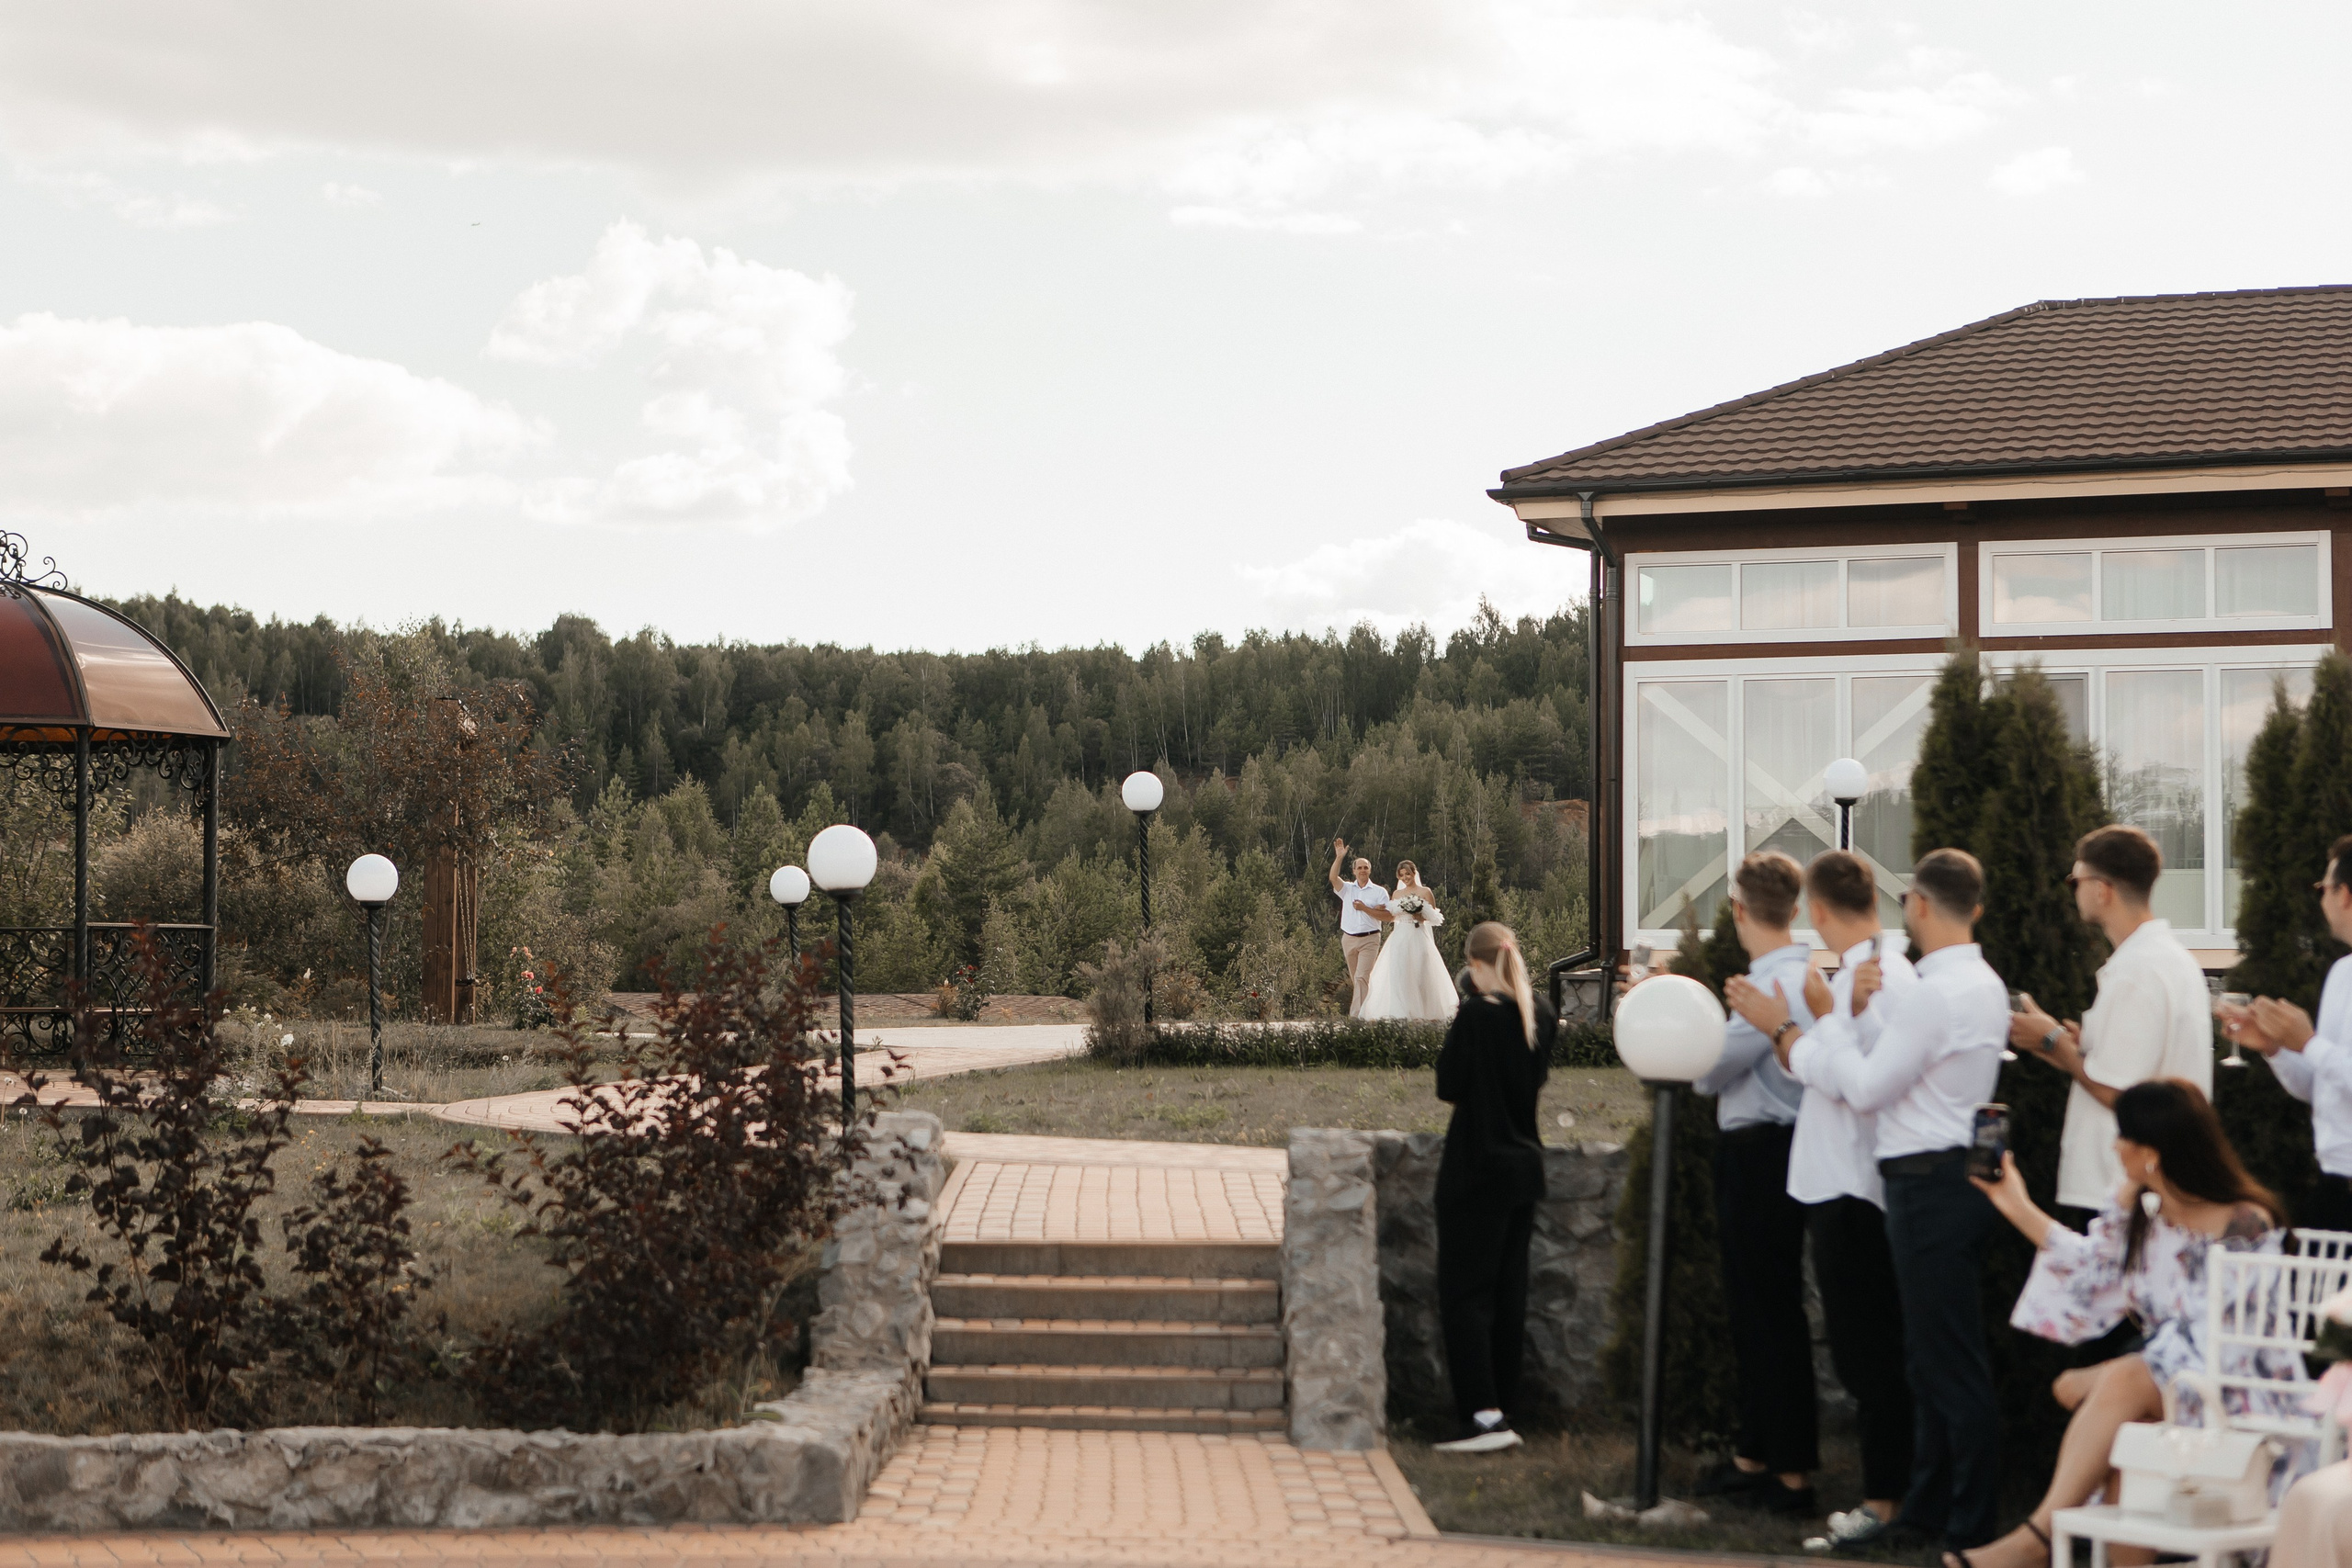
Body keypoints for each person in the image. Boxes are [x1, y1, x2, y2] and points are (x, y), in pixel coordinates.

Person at [1746, 848, 2010, 1554]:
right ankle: (1925, 1512)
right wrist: (1848, 1019)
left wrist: (1813, 1023)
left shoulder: (1930, 989)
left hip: (1924, 1179)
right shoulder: (1982, 982)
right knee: (1930, 1360)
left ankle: (1966, 1523)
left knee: (1943, 1364)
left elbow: (1865, 1089)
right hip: (1949, 1172)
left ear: (1919, 905)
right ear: (1976, 906)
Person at [1951, 1079, 2297, 1568]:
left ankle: (2040, 1534)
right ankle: (2056, 1541)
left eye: (2122, 1137)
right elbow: (2092, 1270)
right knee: (2128, 1422)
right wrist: (2013, 1201)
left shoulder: (2246, 1223)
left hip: (2241, 1387)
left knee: (2125, 1381)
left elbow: (2221, 1338)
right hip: (2169, 1385)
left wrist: (2101, 1378)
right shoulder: (2144, 1214)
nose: (2114, 1147)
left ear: (2151, 1152)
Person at [1726, 849, 1917, 1550]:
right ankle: (1888, 1497)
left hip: (1855, 1182)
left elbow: (1859, 1082)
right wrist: (1802, 1024)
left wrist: (1786, 1027)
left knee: (1871, 1352)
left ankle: (1887, 1502)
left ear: (1815, 908)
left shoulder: (1877, 977)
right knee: (1860, 1349)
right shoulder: (1854, 975)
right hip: (1837, 1179)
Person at [1687, 852, 1817, 1515]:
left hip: (1760, 1150)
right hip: (1789, 1149)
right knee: (1763, 1307)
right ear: (1794, 910)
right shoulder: (1808, 975)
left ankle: (1789, 1472)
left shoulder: (1768, 987)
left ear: (1739, 909)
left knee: (1764, 1311)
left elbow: (1709, 1071)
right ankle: (1756, 1452)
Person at [2008, 825, 2214, 1219]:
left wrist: (2053, 1040)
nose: (2074, 891)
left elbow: (2117, 1091)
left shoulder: (2137, 969)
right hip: (2149, 1183)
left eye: (2075, 880)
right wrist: (2074, 1044)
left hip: (2118, 1189)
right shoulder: (2169, 959)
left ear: (2101, 889)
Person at [1430, 920, 1553, 1454]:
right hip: (1523, 1169)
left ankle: (1482, 1415)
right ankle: (1505, 1403)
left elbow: (1448, 1084)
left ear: (1475, 966)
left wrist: (1465, 1009)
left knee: (1466, 1297)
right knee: (1509, 1295)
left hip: (1475, 1170)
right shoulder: (1540, 1015)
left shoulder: (1476, 1016)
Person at [2226, 835, 2352, 1233]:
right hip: (2333, 1184)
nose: (2321, 900)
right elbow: (2321, 1089)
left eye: (2323, 889)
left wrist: (2309, 1043)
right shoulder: (2342, 974)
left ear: (2344, 894)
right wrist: (2276, 1049)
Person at [1361, 859, 1457, 1021]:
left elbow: (1434, 917)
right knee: (1399, 972)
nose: (1405, 878)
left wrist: (1419, 914)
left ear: (1414, 873)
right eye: (1402, 875)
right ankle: (1401, 1011)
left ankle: (1425, 1011)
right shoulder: (1397, 894)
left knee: (1421, 971)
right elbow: (1392, 915)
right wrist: (1379, 909)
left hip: (1418, 935)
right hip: (1401, 935)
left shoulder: (1426, 892)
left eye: (1407, 874)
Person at [1329, 838, 1394, 1017]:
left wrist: (1366, 909)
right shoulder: (1348, 889)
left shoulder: (1379, 892)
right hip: (1349, 939)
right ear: (1354, 871)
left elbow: (1389, 917)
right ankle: (1371, 1011)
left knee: (1361, 977)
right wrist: (1339, 857)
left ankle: (1357, 1016)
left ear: (1370, 870)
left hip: (1370, 938)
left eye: (1366, 867)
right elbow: (1333, 878)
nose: (1363, 870)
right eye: (1360, 867)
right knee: (1357, 980)